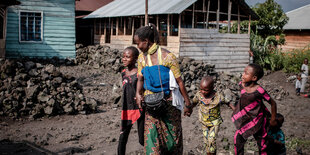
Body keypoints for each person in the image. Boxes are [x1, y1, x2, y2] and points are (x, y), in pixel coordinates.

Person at [134, 23, 192, 154]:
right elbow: (140, 79)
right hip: (151, 104)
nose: (137, 47)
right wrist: (138, 93)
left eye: (138, 43)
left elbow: (180, 82)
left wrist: (188, 104)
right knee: (152, 140)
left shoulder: (168, 57)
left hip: (169, 105)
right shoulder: (141, 58)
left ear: (146, 41)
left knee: (173, 141)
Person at [231, 63, 277, 155]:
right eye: (243, 72)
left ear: (254, 78)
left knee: (262, 143)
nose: (243, 75)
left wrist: (273, 119)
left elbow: (273, 103)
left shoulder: (259, 91)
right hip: (245, 120)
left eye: (246, 73)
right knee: (238, 139)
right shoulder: (242, 85)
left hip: (258, 120)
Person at [191, 76, 234, 155]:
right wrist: (189, 109)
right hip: (204, 122)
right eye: (201, 89)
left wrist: (235, 110)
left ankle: (211, 153)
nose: (203, 91)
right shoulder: (199, 95)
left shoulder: (218, 96)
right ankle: (209, 153)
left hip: (215, 122)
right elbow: (194, 102)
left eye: (206, 90)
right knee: (206, 142)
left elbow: (227, 102)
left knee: (211, 140)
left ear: (212, 88)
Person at [117, 46, 144, 155]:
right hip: (127, 109)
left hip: (139, 109)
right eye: (123, 56)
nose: (124, 59)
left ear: (135, 59)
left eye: (128, 57)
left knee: (142, 139)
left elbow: (142, 90)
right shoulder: (123, 72)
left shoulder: (139, 74)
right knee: (122, 137)